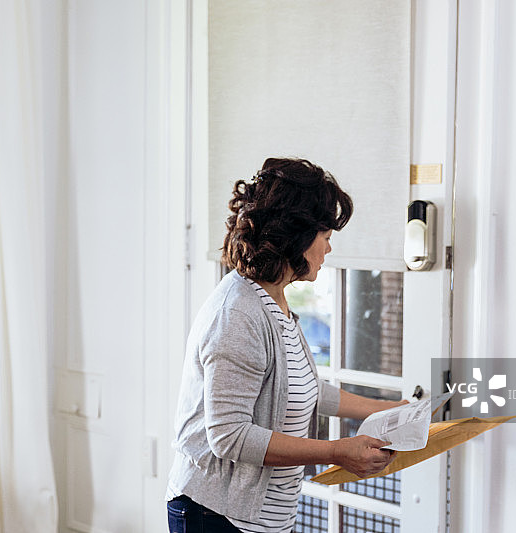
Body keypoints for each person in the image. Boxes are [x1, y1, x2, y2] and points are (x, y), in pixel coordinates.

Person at [166, 158, 407, 533]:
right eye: (325, 235)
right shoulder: (238, 314)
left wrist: (390, 409)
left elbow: (305, 389)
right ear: (296, 234)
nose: (328, 248)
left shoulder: (272, 299)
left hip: (260, 516)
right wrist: (336, 451)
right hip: (217, 514)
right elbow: (229, 437)